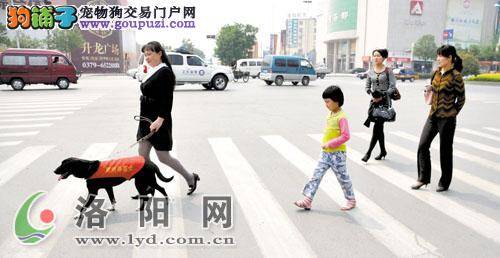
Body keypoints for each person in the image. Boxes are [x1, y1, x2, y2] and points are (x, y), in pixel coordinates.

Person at [136, 41, 200, 196]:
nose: (147, 57)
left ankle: (190, 177)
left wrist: (160, 120)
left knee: (163, 157)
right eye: (145, 54)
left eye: (150, 53)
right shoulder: (153, 70)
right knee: (142, 157)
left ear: (159, 53)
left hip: (158, 121)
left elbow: (167, 99)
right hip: (146, 119)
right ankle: (147, 187)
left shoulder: (165, 72)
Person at [412, 45, 465, 192]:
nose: (438, 58)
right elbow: (435, 91)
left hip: (447, 118)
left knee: (445, 150)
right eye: (438, 55)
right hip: (433, 115)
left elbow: (461, 98)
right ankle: (423, 178)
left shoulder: (456, 76)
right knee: (422, 145)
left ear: (450, 58)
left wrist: (453, 112)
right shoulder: (436, 73)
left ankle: (444, 182)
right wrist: (430, 89)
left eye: (441, 56)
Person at [294, 85, 356, 211]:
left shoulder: (341, 117)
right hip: (326, 153)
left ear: (336, 101)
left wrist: (330, 143)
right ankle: (307, 200)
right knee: (316, 176)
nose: (326, 104)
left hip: (337, 154)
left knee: (343, 178)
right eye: (325, 102)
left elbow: (346, 136)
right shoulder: (331, 114)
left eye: (328, 101)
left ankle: (351, 200)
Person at [362, 49, 396, 162]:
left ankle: (368, 153)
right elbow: (367, 86)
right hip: (374, 102)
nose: (376, 58)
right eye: (374, 56)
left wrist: (383, 95)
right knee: (379, 129)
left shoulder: (388, 71)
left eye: (378, 56)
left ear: (383, 58)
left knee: (377, 127)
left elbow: (392, 87)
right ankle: (383, 151)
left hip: (385, 102)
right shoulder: (370, 71)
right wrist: (371, 94)